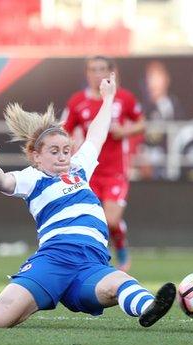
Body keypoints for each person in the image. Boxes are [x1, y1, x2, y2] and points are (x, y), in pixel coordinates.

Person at [0, 73, 175, 329]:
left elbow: (96, 135)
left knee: (120, 282)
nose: (63, 156)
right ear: (36, 156)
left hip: (92, 262)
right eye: (54, 151)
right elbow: (3, 183)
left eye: (66, 150)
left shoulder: (79, 168)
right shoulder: (32, 178)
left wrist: (108, 98)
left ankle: (149, 308)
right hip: (54, 260)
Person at [62, 56, 146, 272]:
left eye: (101, 69)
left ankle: (120, 242)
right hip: (89, 171)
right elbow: (65, 131)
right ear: (87, 73)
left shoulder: (124, 98)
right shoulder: (77, 101)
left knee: (110, 219)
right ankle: (95, 261)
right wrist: (68, 151)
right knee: (91, 219)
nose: (97, 74)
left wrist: (124, 131)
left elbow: (141, 123)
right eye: (92, 69)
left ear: (111, 73)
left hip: (115, 171)